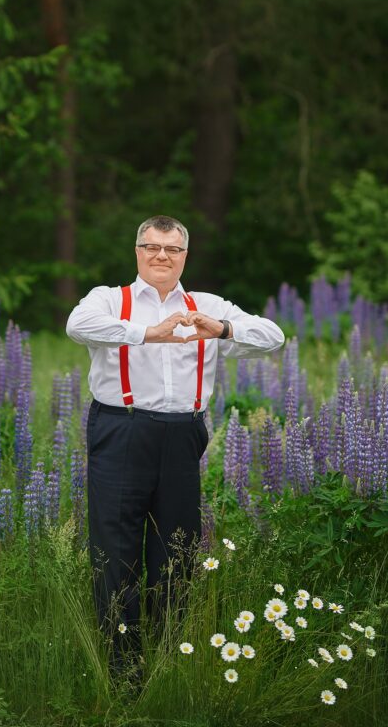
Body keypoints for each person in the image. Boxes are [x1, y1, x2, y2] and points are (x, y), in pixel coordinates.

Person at [65, 214, 285, 676]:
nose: (161, 255)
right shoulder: (109, 299)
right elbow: (77, 325)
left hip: (184, 435)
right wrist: (150, 332)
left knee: (176, 551)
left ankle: (167, 659)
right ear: (138, 251)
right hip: (121, 430)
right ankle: (122, 669)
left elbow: (273, 337)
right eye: (152, 246)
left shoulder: (206, 303)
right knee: (116, 551)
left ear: (185, 255)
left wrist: (221, 329)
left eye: (172, 249)